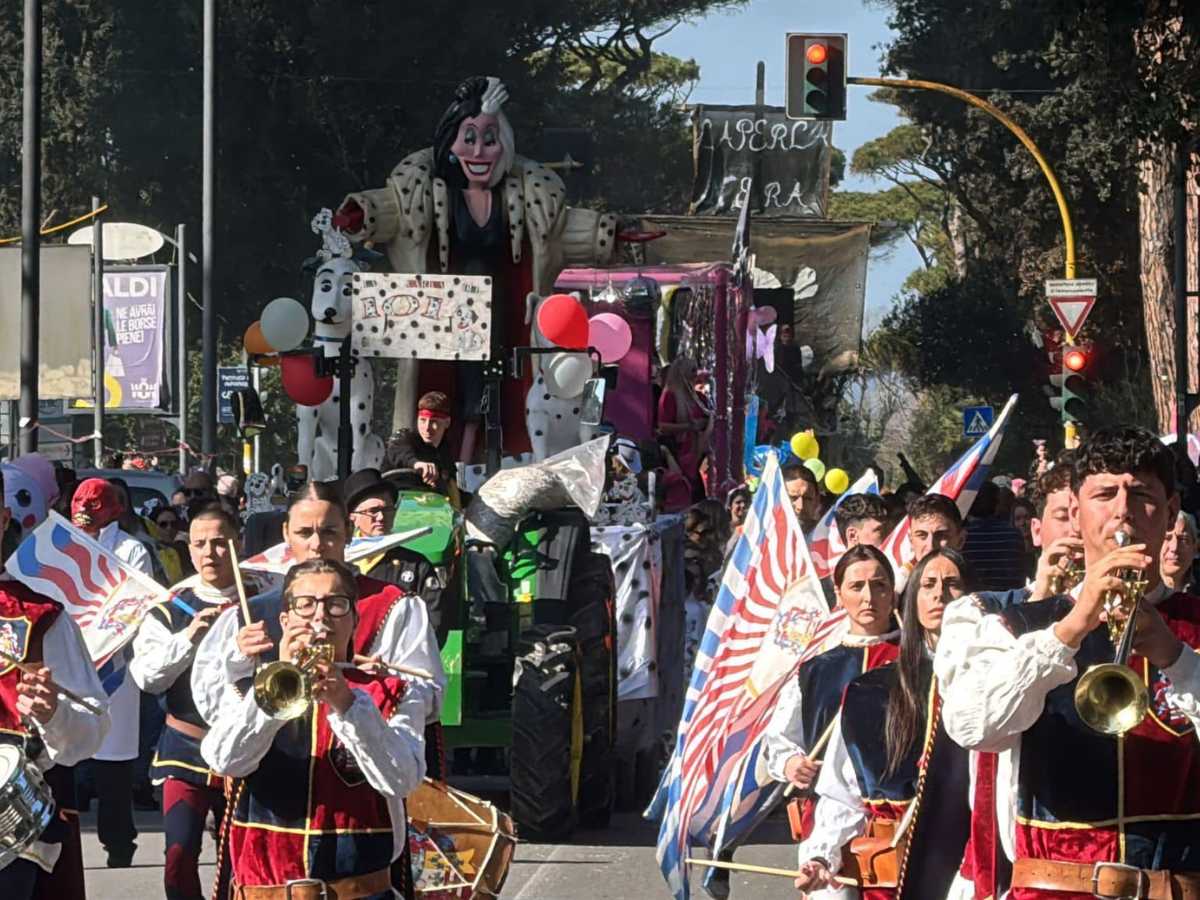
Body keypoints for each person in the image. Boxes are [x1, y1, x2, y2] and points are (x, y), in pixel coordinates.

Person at [937, 427, 1200, 899]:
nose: (1122, 510)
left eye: (1141, 494)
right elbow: (972, 726)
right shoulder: (1017, 624)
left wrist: (1172, 655)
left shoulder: (1194, 624)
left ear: (1171, 512)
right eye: (1104, 494)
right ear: (1076, 513)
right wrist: (1070, 627)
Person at [200, 558, 426, 899]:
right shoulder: (247, 690)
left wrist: (347, 705)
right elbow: (225, 760)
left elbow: (402, 780)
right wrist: (272, 695)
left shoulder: (391, 692)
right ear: (284, 620)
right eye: (305, 605)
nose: (320, 616)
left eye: (336, 604)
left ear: (355, 619)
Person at [794, 548, 973, 899]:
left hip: (966, 868)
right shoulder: (868, 692)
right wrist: (821, 855)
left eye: (953, 583)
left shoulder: (992, 681)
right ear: (911, 600)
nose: (940, 594)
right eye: (928, 584)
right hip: (889, 873)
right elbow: (841, 793)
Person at [129, 504, 268, 900]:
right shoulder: (171, 606)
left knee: (241, 857)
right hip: (184, 748)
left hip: (249, 746)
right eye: (200, 544)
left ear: (238, 543)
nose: (211, 553)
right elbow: (146, 678)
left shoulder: (266, 595)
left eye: (221, 543)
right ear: (188, 549)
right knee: (179, 854)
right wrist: (187, 637)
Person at [0, 470, 110, 900]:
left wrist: (53, 713)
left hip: (10, 837)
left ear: (3, 518)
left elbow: (92, 728)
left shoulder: (39, 616)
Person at [763, 546, 900, 846]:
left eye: (879, 585)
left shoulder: (917, 661)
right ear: (839, 594)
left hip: (901, 822)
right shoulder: (816, 670)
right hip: (828, 824)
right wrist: (791, 764)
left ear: (892, 592)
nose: (868, 597)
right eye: (856, 586)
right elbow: (780, 738)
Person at [71, 478, 154, 869]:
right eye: (79, 504)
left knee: (113, 766)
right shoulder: (61, 544)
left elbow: (133, 606)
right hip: (67, 661)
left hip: (113, 666)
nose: (85, 511)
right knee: (63, 758)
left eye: (94, 505)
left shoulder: (131, 550)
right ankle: (61, 841)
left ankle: (119, 844)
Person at [342, 467, 443, 630]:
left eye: (387, 510)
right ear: (353, 516)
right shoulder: (339, 563)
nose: (381, 517)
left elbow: (434, 622)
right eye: (373, 511)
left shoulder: (415, 566)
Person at [384, 391, 457, 495]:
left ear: (447, 423)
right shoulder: (405, 438)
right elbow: (399, 452)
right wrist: (416, 463)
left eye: (434, 422)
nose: (426, 428)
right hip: (395, 503)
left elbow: (452, 488)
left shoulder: (445, 453)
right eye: (422, 420)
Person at [657, 358, 711, 497]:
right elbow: (663, 426)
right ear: (682, 372)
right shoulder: (670, 396)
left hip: (700, 452)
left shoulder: (699, 397)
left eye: (696, 370)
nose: (696, 374)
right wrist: (690, 426)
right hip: (680, 453)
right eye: (692, 370)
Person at [961, 480, 1027, 592]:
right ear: (997, 504)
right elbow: (1020, 575)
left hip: (974, 603)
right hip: (1012, 602)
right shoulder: (1013, 534)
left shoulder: (962, 538)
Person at [906, 493, 965, 564]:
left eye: (941, 535)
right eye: (922, 536)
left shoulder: (975, 574)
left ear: (960, 540)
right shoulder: (899, 574)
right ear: (910, 540)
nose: (931, 546)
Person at [1161, 510, 1199, 594]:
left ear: (1195, 548)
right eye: (1166, 538)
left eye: (1183, 539)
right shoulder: (1140, 590)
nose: (1174, 547)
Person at [784, 463, 823, 536]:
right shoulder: (760, 535)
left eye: (807, 498)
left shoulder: (829, 540)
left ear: (817, 500)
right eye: (793, 498)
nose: (800, 507)